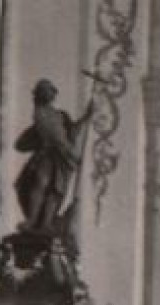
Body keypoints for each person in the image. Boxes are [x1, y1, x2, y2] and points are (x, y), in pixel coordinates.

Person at [14, 79, 94, 239]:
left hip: (61, 159)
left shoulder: (60, 115)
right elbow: (55, 137)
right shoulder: (40, 112)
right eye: (42, 91)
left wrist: (87, 116)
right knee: (40, 183)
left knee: (56, 190)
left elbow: (71, 133)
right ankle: (31, 220)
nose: (47, 94)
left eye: (49, 91)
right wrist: (72, 154)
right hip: (47, 154)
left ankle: (46, 223)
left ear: (53, 94)